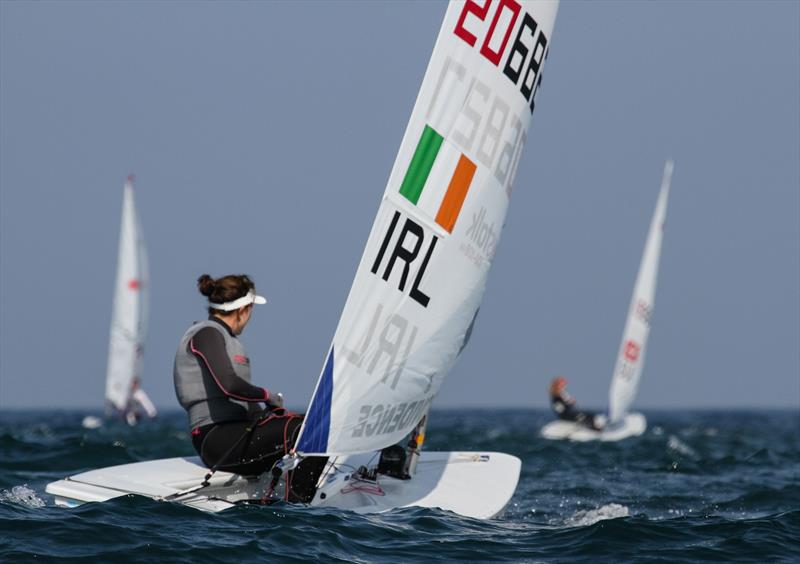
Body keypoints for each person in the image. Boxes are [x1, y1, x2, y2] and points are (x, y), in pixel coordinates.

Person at [173, 273, 326, 503]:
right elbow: (229, 386)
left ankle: (299, 497)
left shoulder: (229, 339)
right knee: (303, 432)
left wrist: (271, 413)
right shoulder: (206, 334)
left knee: (314, 426)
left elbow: (244, 401)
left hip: (238, 431)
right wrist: (268, 396)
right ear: (244, 310)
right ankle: (300, 513)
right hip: (213, 438)